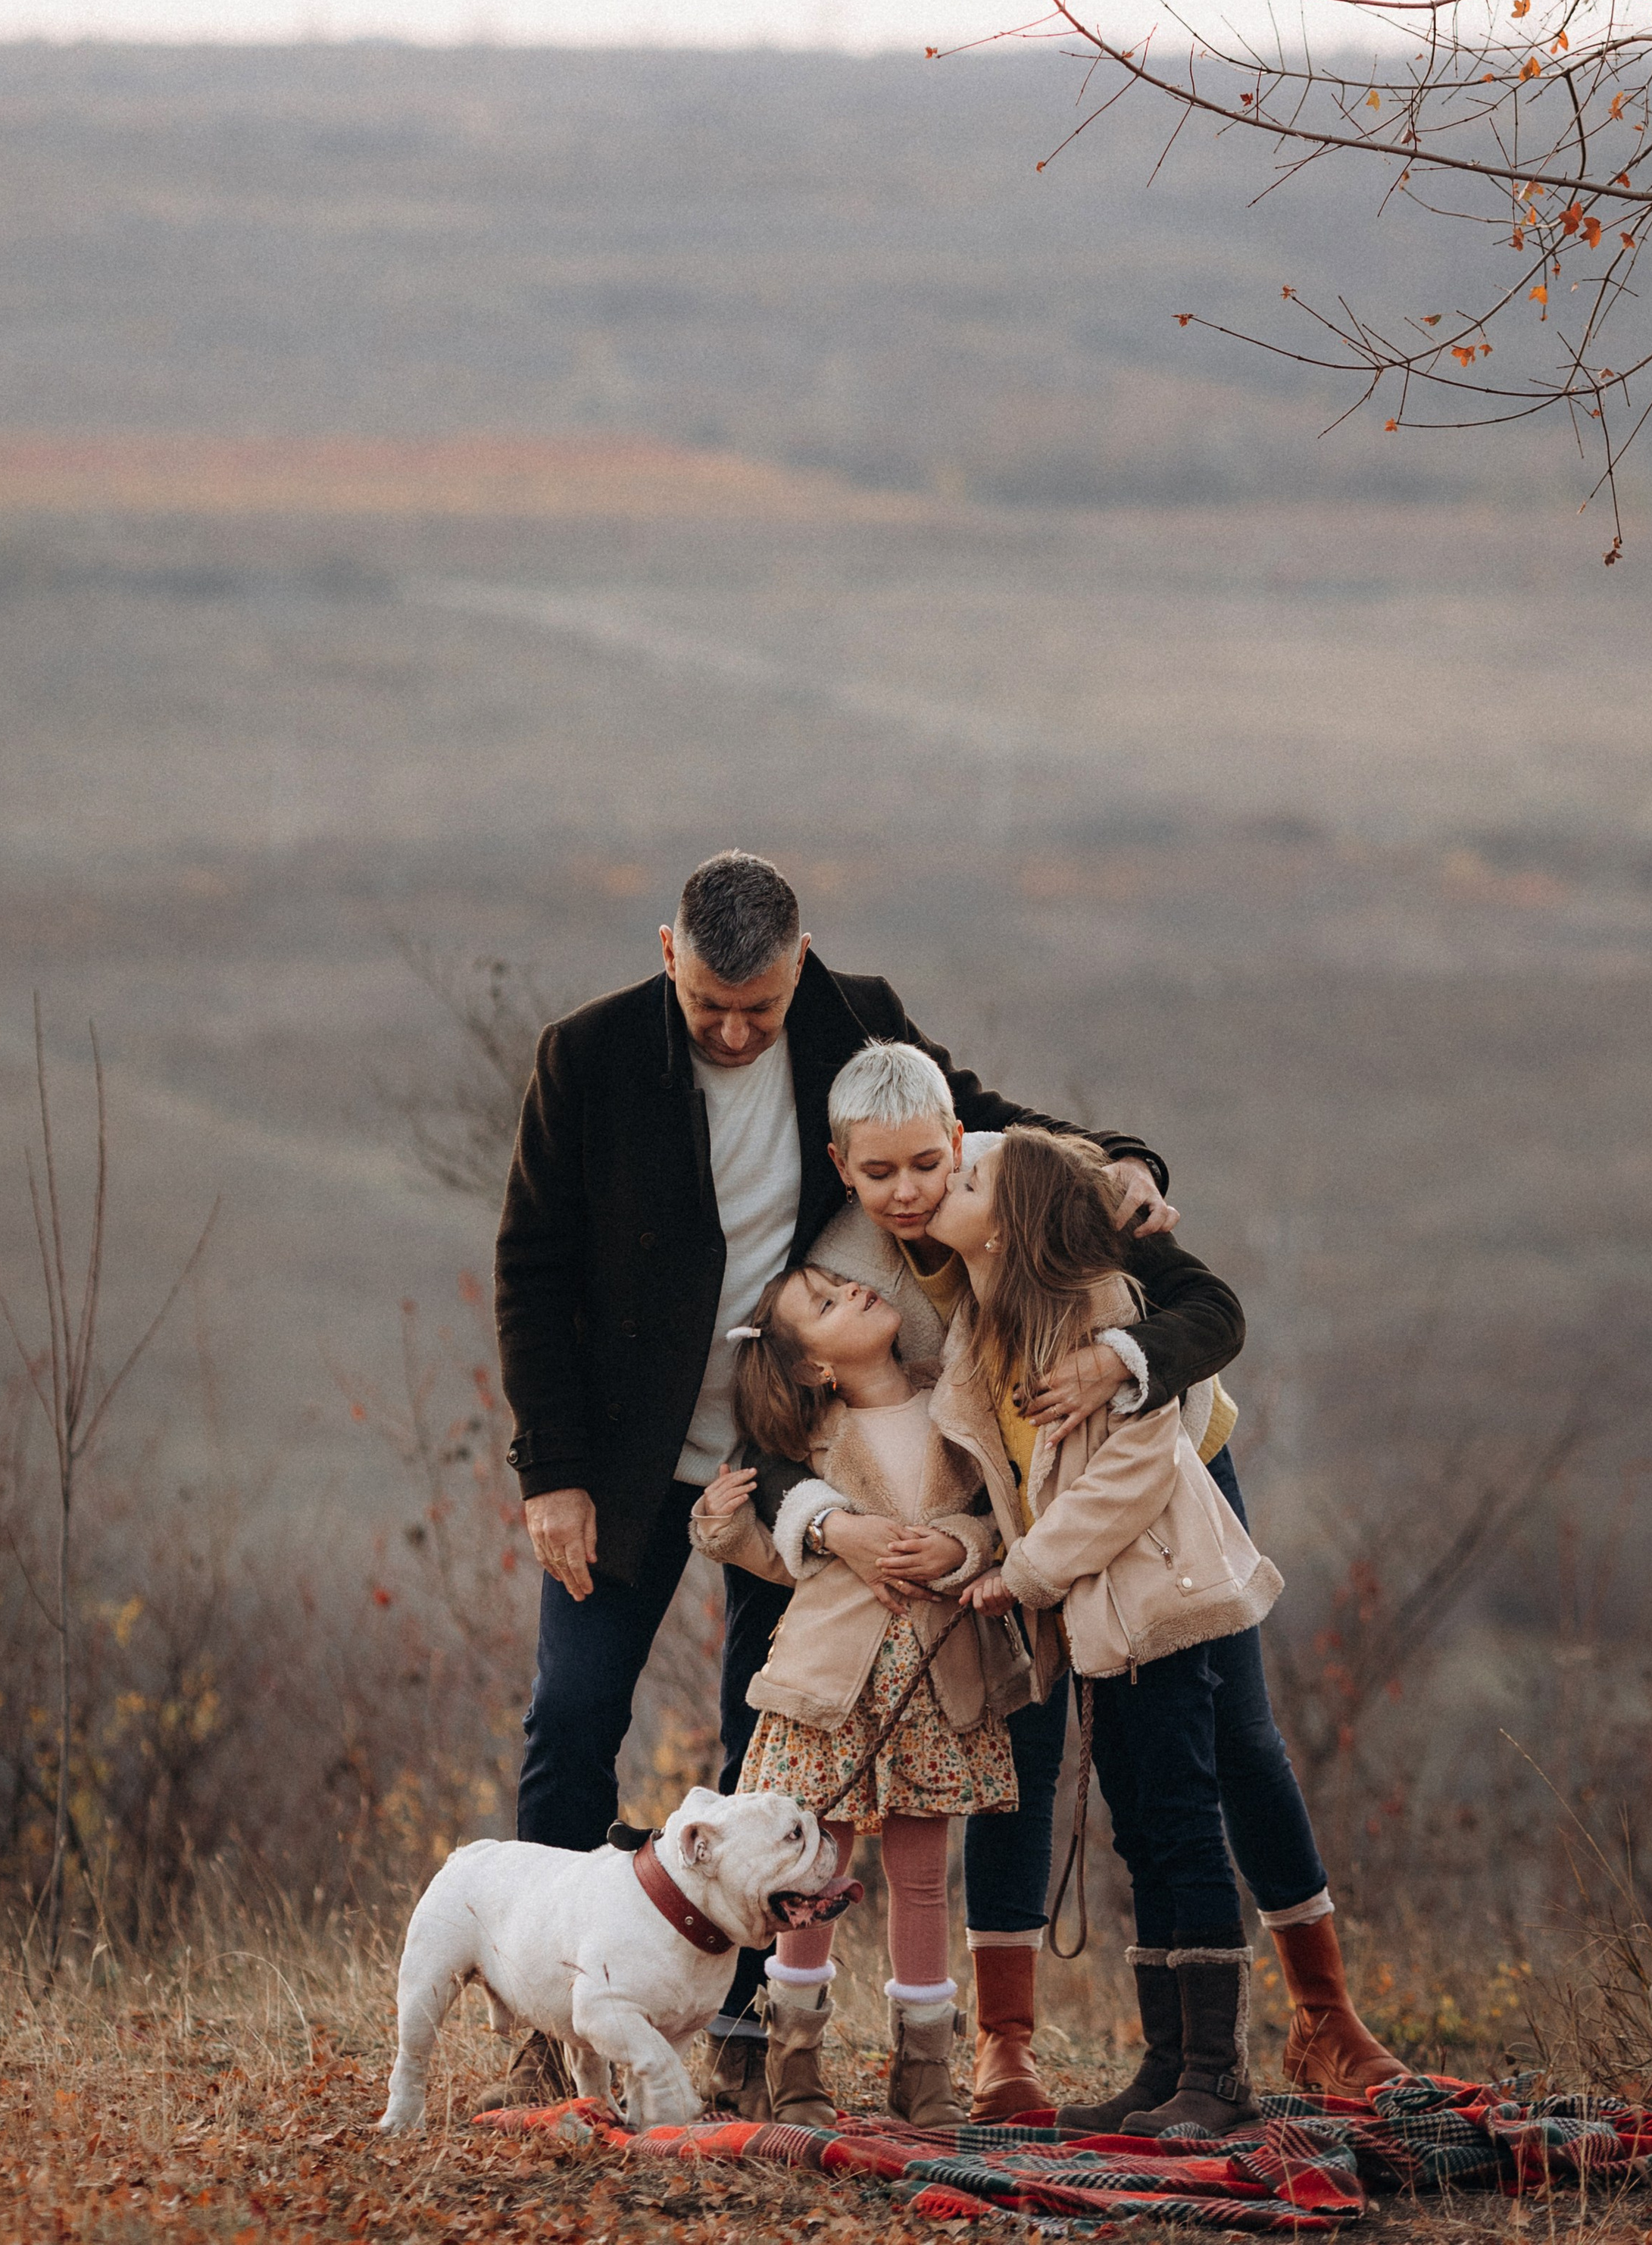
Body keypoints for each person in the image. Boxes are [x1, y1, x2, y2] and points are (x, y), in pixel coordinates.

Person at [489, 848, 1181, 2112]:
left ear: (800, 965)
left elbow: (971, 1123)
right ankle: (547, 2039)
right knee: (574, 1717)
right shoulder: (583, 1057)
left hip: (796, 1456)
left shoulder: (852, 1015)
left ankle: (746, 2036)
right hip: (631, 1466)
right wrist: (554, 1470)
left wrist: (1119, 1157)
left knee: (777, 1763)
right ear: (666, 954)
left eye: (759, 1006)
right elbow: (531, 1267)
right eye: (710, 1006)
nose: (735, 1031)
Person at [827, 1041, 1407, 2111]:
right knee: (1086, 1783)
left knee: (1219, 1760)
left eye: (934, 1166)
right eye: (881, 1172)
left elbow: (1204, 1327)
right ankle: (1069, 2050)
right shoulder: (871, 1267)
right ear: (840, 1164)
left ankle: (1288, 2033)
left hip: (1154, 1529)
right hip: (1043, 1536)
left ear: (958, 1142)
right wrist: (963, 1547)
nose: (914, 1191)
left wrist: (1124, 1361)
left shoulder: (1044, 1203)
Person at [935, 1129, 1284, 2132]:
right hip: (1097, 1618)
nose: (948, 1181)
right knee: (1138, 1825)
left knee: (1180, 1820)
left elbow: (1131, 1476)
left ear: (1008, 1227)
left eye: (968, 1177)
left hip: (1157, 1603)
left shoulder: (1107, 1312)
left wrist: (1024, 1575)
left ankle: (1217, 2075)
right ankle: (1167, 2066)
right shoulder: (985, 1329)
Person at [690, 1254, 1029, 2125]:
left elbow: (1000, 1512)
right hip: (828, 1692)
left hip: (934, 1688)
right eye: (829, 1302)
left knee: (922, 1878)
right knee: (814, 1869)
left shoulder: (953, 1403)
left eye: (844, 1285)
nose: (857, 1290)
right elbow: (784, 1562)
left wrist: (961, 1546)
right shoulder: (809, 1447)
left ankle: (925, 2075)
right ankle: (795, 2068)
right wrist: (722, 1528)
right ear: (815, 1366)